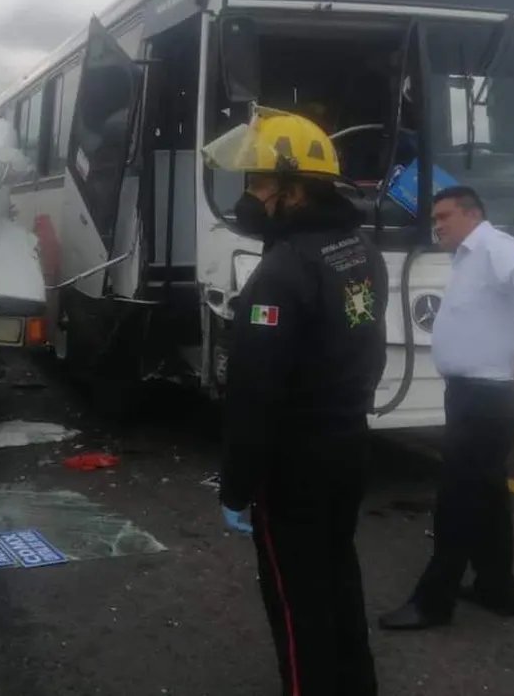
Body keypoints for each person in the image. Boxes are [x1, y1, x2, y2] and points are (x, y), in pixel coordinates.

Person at [207, 106, 389, 696]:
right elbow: (367, 348)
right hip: (347, 445)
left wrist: (237, 483)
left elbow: (256, 391)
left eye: (259, 183)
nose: (250, 197)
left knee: (294, 601)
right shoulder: (358, 249)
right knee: (337, 575)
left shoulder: (282, 272)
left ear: (294, 190)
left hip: (296, 465)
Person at [379, 185, 514, 631]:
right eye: (435, 218)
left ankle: (433, 602)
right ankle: (497, 589)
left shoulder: (495, 246)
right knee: (488, 492)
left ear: (472, 215)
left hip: (489, 396)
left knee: (457, 498)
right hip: (474, 392)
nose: (436, 224)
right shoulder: (468, 255)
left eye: (444, 217)